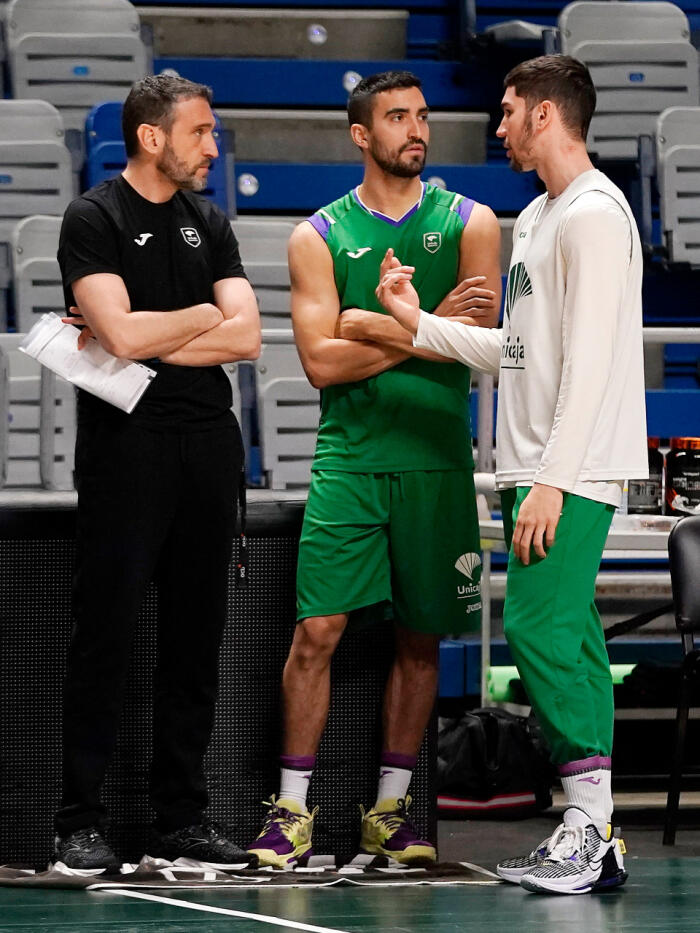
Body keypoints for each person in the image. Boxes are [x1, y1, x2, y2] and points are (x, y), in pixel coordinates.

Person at [376, 55, 647, 895]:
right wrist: (417, 326)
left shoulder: (596, 215)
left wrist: (556, 481)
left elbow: (596, 365)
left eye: (507, 111)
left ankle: (592, 833)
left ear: (543, 115)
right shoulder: (535, 216)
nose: (496, 125)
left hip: (573, 469)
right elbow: (522, 352)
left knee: (535, 632)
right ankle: (587, 827)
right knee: (570, 639)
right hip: (536, 467)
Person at [246, 70, 501, 868]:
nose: (415, 129)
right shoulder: (315, 235)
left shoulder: (474, 222)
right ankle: (290, 810)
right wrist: (420, 325)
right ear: (362, 134)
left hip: (436, 459)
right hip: (350, 460)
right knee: (318, 631)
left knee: (421, 641)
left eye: (422, 116)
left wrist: (374, 320)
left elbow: (481, 339)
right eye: (397, 117)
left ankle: (389, 812)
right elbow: (320, 364)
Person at [52, 75, 261, 871]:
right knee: (101, 635)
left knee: (194, 642)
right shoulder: (94, 216)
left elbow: (247, 340)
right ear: (151, 137)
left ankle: (182, 818)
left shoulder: (210, 220)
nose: (213, 146)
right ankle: (79, 820)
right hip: (125, 450)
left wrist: (153, 330)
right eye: (201, 132)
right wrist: (202, 315)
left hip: (209, 446)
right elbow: (119, 334)